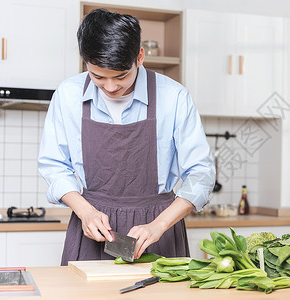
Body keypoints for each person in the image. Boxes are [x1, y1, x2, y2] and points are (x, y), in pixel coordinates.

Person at [38, 8, 215, 266]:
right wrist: (84, 210)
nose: (110, 87)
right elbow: (54, 165)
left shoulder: (174, 97)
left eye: (121, 76)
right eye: (98, 76)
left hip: (159, 231)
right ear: (85, 62)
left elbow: (201, 174)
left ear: (139, 57)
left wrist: (158, 226)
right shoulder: (67, 95)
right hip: (91, 228)